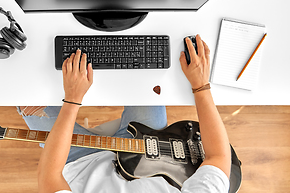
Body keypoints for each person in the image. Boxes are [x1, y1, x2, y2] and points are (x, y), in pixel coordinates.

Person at [18, 34, 231, 193]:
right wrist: (201, 85)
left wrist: (72, 99)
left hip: (79, 162)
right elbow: (219, 158)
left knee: (25, 97)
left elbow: (49, 178)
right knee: (144, 61)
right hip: (149, 152)